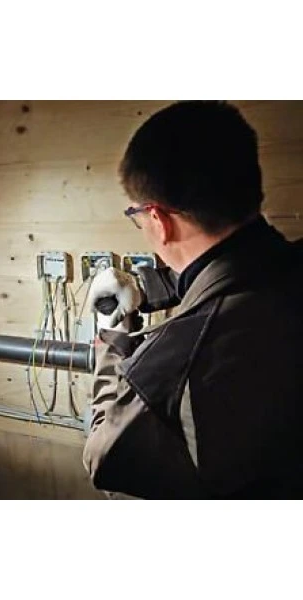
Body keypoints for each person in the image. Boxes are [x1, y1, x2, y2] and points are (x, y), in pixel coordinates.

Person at [83, 101, 303, 499]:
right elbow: (233, 267)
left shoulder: (174, 360)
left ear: (158, 220)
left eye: (137, 216)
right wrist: (148, 287)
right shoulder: (288, 267)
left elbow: (105, 460)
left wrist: (111, 340)